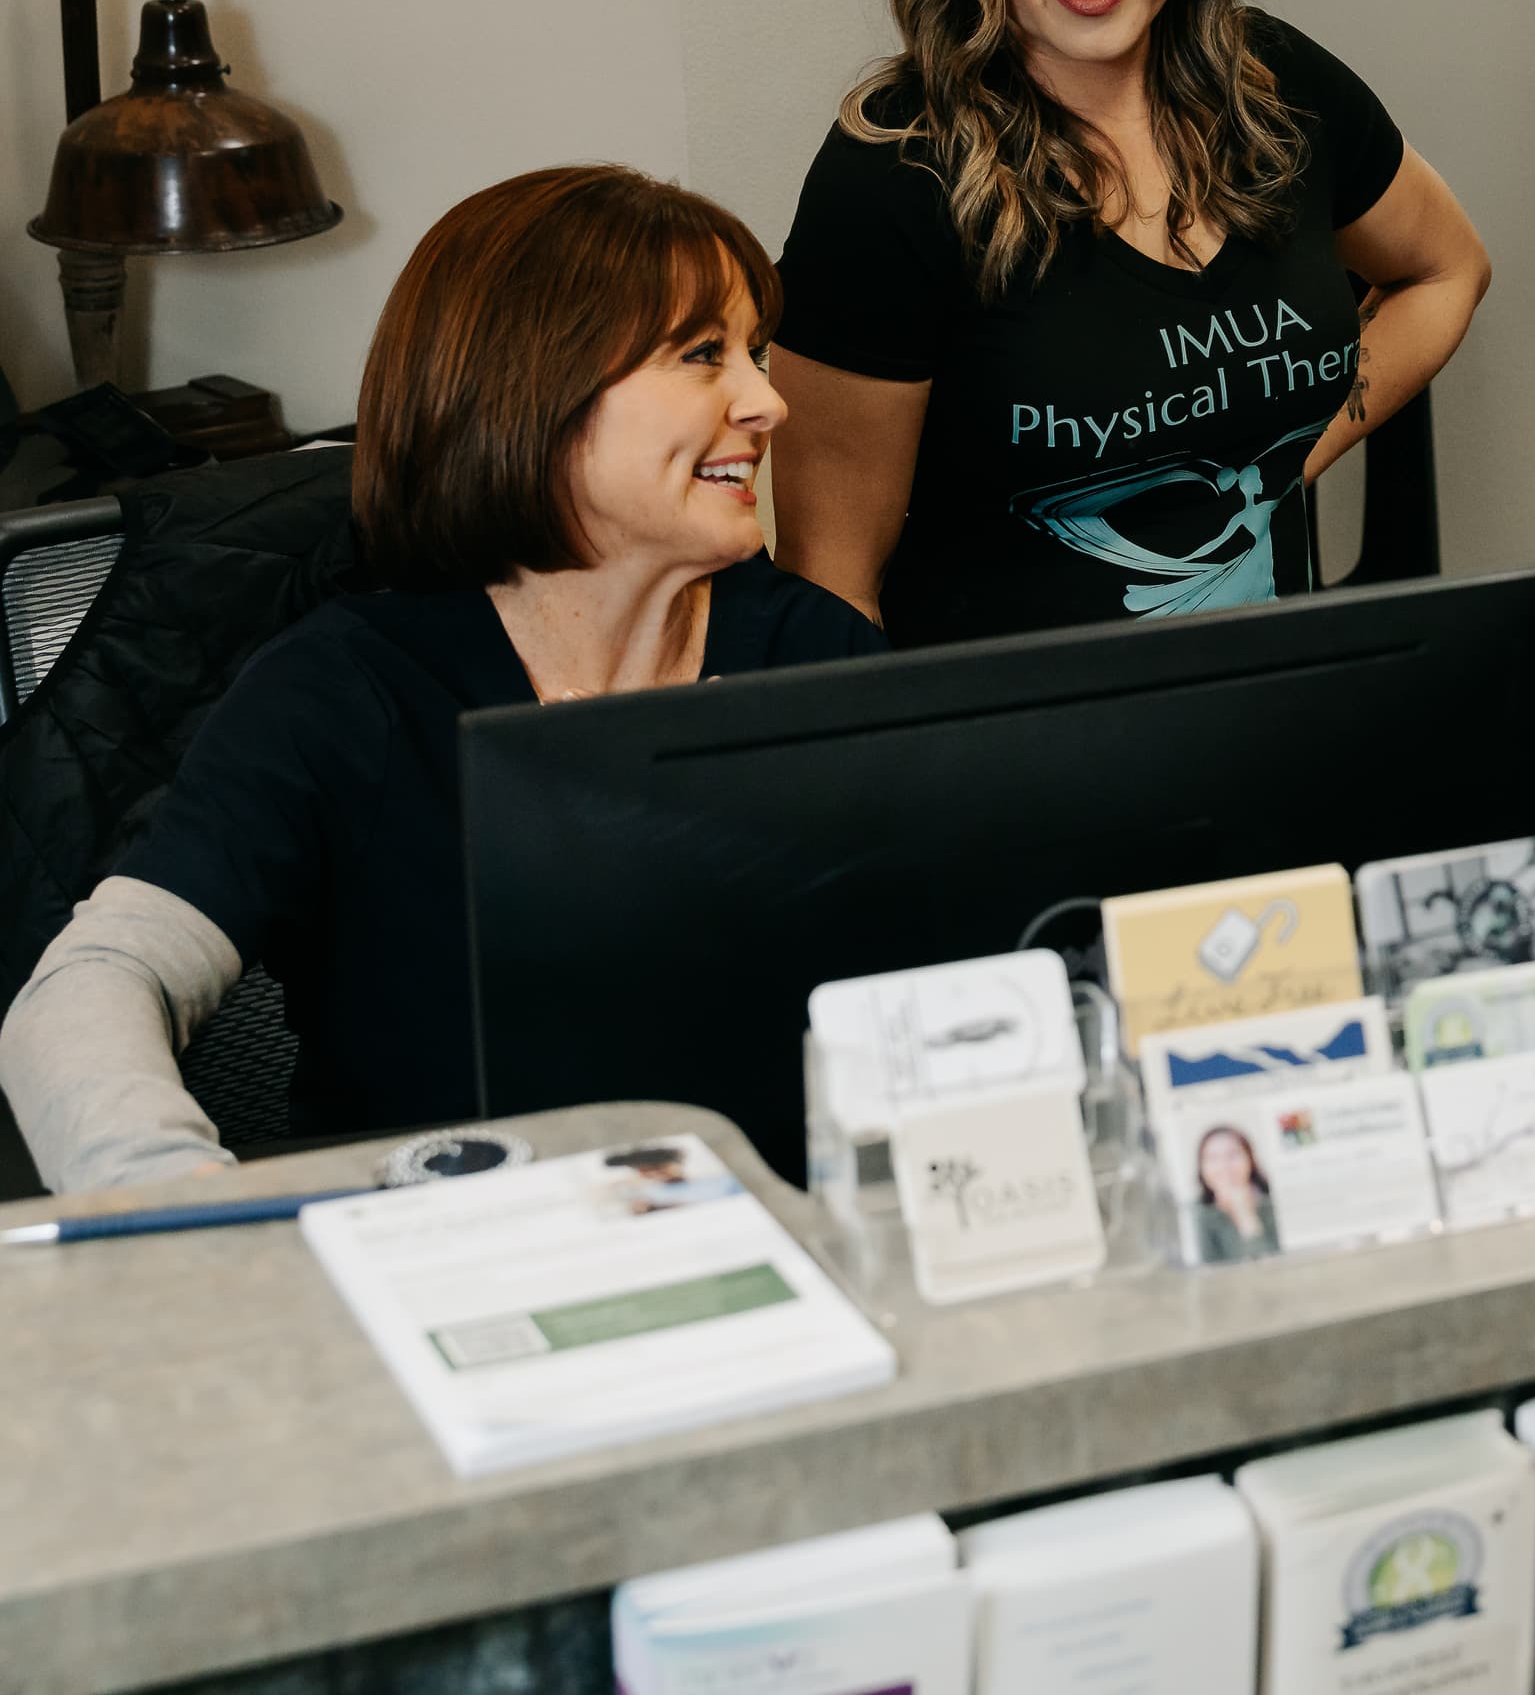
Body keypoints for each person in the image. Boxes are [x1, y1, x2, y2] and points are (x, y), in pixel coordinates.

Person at [0, 167, 883, 1190]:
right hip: (450, 1264)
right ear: (537, 387)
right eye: (702, 355)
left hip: (781, 1249)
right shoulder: (348, 689)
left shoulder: (812, 655)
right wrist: (193, 1213)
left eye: (754, 354)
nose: (769, 401)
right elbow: (95, 983)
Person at [769, 0, 1490, 646]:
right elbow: (829, 587)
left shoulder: (1277, 84)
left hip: (1275, 722)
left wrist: (1284, 457)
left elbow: (1447, 268)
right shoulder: (891, 178)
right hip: (1015, 765)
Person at [1188, 1123, 1278, 1261]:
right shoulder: (1197, 1214)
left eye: (1232, 1155)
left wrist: (1245, 1215)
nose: (1223, 1166)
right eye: (1212, 1158)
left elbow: (1272, 1267)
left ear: (1250, 1160)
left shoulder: (1273, 1204)